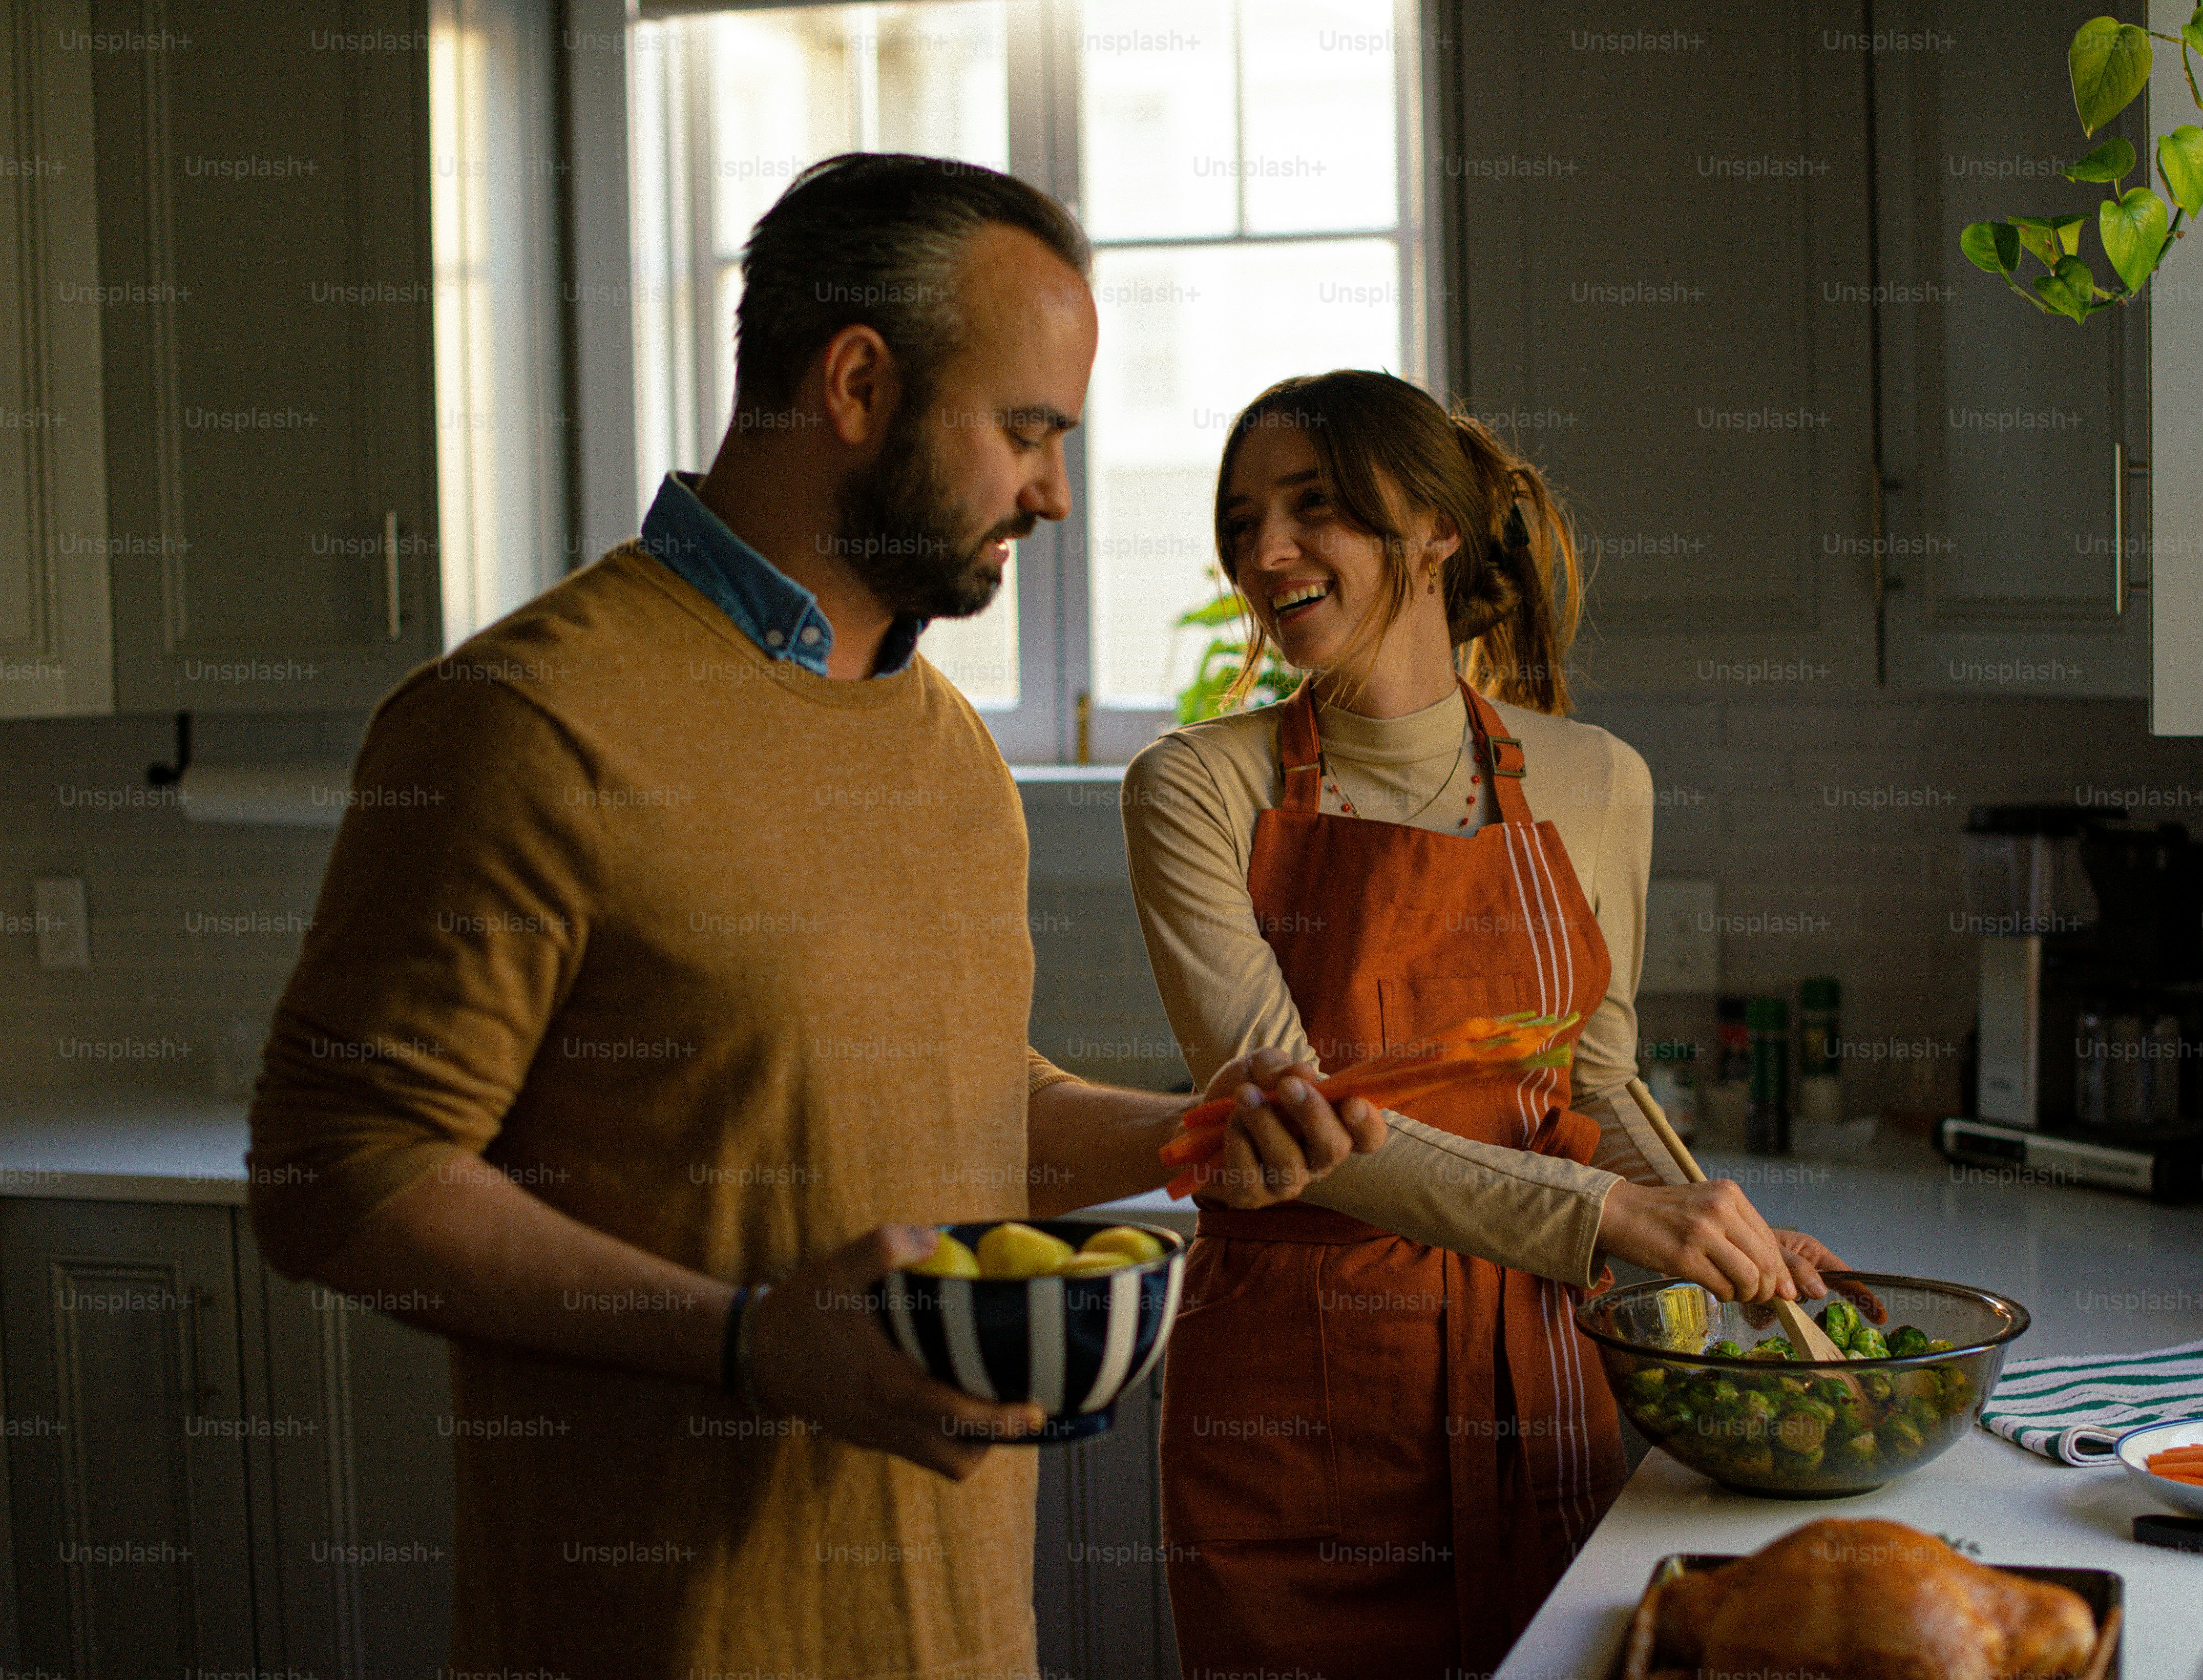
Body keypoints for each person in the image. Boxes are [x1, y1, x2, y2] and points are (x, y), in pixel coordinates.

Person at [244, 156, 1384, 1680]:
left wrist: (1191, 1134)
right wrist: (746, 1335)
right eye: (1027, 432)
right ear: (855, 384)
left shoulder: (946, 748)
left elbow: (950, 1103)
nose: (1053, 492)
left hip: (966, 1639)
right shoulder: (523, 721)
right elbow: (332, 1170)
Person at [1120, 370, 1850, 1680]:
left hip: (1537, 1388)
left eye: (1313, 507)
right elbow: (1296, 1120)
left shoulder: (1593, 778)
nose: (1265, 552)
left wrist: (1708, 1216)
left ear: (1434, 530)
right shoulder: (1195, 786)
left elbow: (1603, 1079)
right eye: (1242, 519)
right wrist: (1615, 1218)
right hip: (1297, 1419)